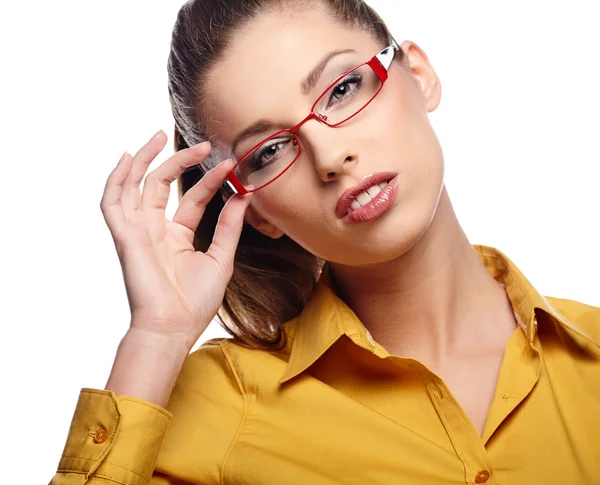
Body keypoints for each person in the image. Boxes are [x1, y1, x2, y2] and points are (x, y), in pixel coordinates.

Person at [49, 1, 600, 484]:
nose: (331, 158)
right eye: (268, 151)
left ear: (420, 73)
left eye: (342, 89)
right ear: (256, 214)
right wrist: (156, 338)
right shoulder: (221, 402)